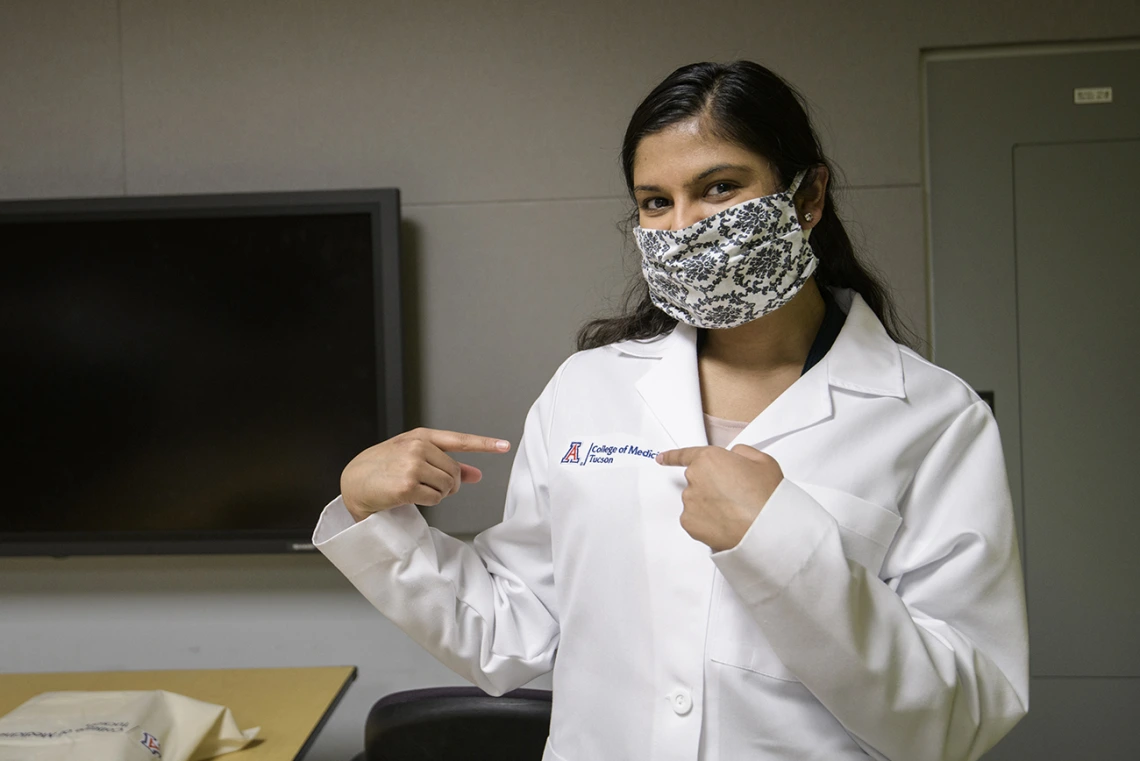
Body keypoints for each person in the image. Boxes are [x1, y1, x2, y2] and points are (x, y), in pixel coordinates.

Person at [314, 61, 1029, 761]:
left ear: (808, 199)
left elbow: (958, 719)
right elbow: (509, 632)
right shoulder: (586, 390)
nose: (684, 228)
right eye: (656, 202)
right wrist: (373, 515)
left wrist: (781, 543)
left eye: (718, 188)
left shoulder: (932, 419)